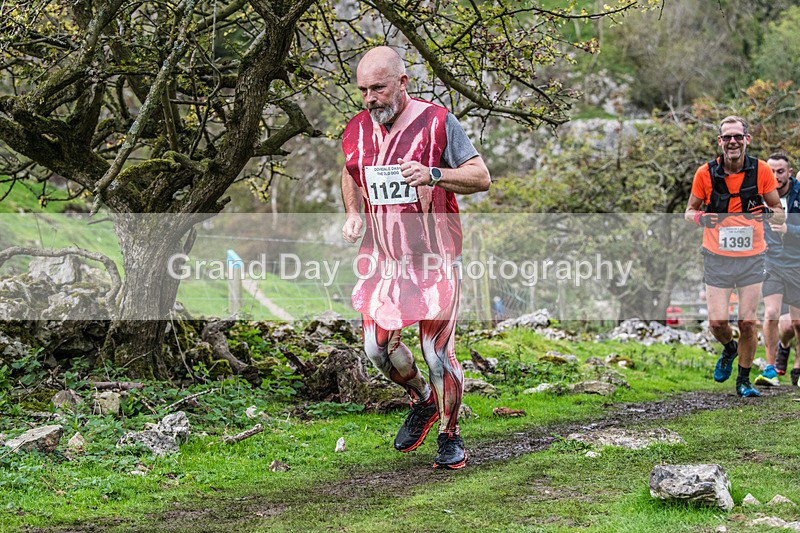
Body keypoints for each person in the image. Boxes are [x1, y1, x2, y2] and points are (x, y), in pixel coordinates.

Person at [340, 46, 491, 469]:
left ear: (402, 82)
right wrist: (353, 214)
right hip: (384, 261)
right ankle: (422, 399)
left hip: (435, 258)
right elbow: (350, 172)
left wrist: (433, 174)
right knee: (376, 350)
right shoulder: (357, 128)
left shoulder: (439, 122)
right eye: (363, 90)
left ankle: (449, 434)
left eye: (378, 88)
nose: (370, 99)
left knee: (436, 353)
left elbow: (481, 177)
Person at [685, 116, 784, 397]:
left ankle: (743, 380)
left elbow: (779, 212)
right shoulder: (705, 173)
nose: (733, 142)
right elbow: (689, 211)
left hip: (752, 256)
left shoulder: (761, 170)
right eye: (727, 137)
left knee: (748, 322)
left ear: (746, 140)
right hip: (716, 256)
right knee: (717, 323)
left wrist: (767, 213)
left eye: (738, 136)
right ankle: (729, 348)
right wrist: (702, 219)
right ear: (720, 141)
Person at [755, 152, 800, 387]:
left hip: (797, 263)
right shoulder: (758, 195)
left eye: (780, 171)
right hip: (771, 262)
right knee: (771, 313)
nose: (775, 176)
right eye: (771, 171)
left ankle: (798, 366)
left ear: (789, 173)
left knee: (796, 323)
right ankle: (770, 368)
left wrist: (788, 230)